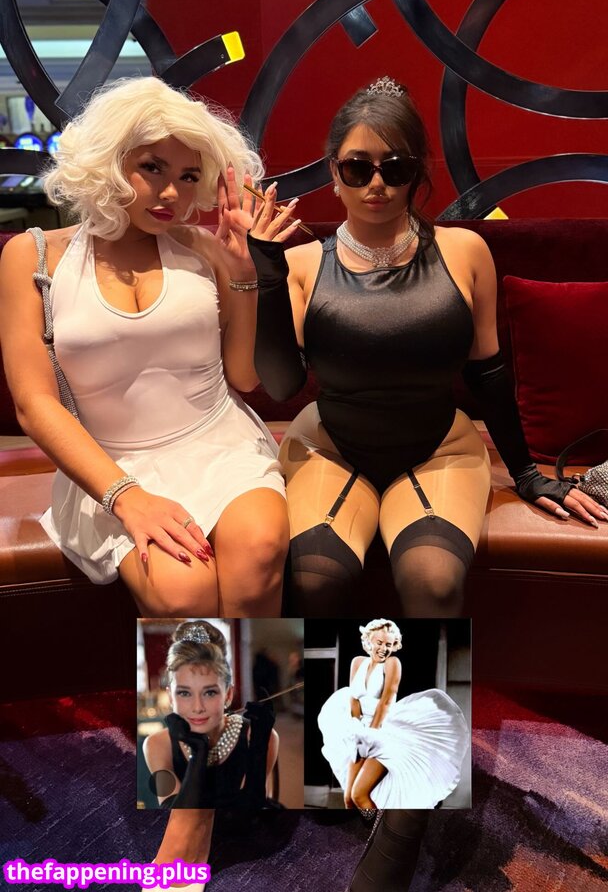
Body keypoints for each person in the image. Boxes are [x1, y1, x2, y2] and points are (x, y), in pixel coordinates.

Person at [247, 76, 606, 617]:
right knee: (315, 582)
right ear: (334, 173)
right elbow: (280, 386)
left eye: (395, 168)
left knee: (433, 582)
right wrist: (268, 276)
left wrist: (527, 475)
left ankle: (412, 680)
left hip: (438, 448)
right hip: (330, 447)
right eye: (358, 168)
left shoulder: (465, 251)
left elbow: (488, 373)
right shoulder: (301, 264)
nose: (377, 184)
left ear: (416, 173)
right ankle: (335, 679)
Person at [0, 76, 289, 617]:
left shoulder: (204, 248)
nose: (172, 193)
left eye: (188, 176)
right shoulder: (32, 257)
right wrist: (127, 497)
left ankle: (264, 677)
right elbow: (33, 404)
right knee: (183, 591)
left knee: (259, 552)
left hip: (220, 445)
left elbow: (245, 378)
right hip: (110, 464)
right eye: (152, 167)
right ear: (109, 160)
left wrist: (245, 275)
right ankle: (196, 679)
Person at [142, 620, 279, 892]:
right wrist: (198, 754)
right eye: (184, 693)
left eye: (210, 692)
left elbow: (252, 811)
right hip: (181, 852)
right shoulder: (156, 745)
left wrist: (259, 745)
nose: (197, 707)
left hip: (239, 847)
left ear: (228, 694)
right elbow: (176, 817)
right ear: (170, 696)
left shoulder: (258, 736)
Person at [318, 619, 468, 813]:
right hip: (360, 733)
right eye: (379, 643)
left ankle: (381, 831)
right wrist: (356, 728)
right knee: (348, 800)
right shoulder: (357, 662)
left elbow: (386, 701)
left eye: (389, 644)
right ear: (369, 641)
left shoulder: (392, 663)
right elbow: (353, 698)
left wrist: (370, 734)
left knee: (359, 795)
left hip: (382, 733)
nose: (383, 649)